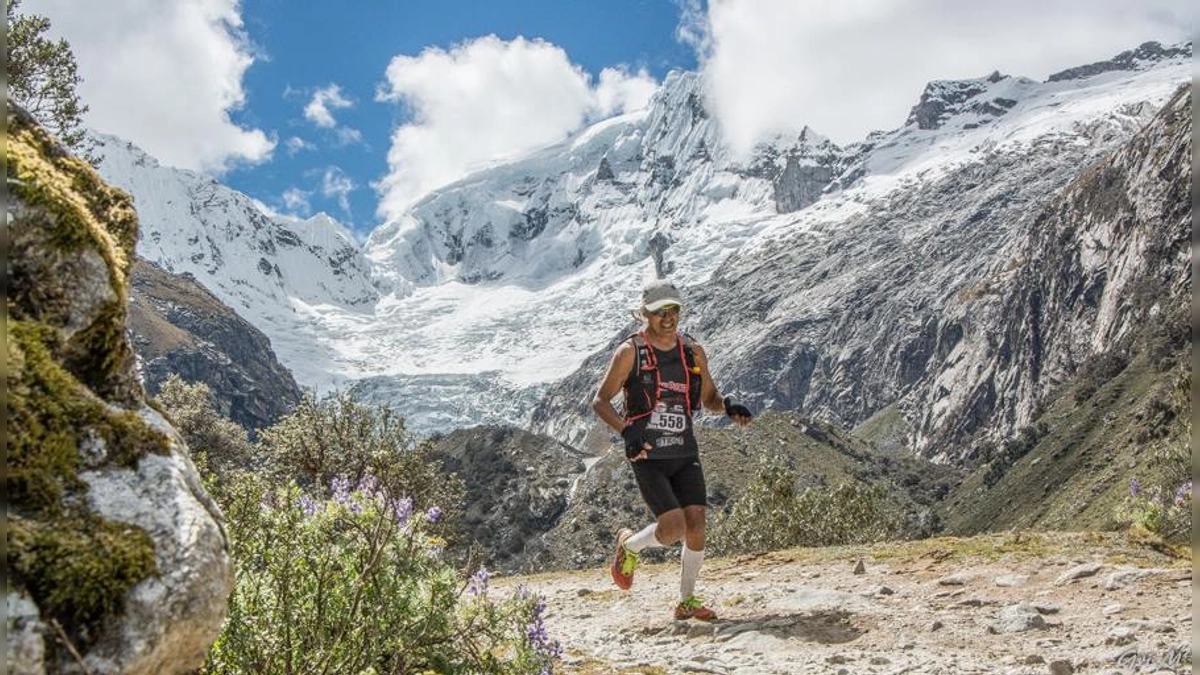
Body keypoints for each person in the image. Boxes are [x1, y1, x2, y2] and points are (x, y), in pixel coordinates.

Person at [591, 278, 753, 621]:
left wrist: (729, 406)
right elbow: (601, 401)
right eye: (659, 311)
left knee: (696, 525)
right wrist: (626, 431)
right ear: (644, 314)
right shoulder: (630, 352)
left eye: (673, 310)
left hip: (684, 451)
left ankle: (687, 600)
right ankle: (630, 545)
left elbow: (709, 398)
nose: (668, 317)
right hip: (647, 454)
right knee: (674, 527)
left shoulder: (692, 352)